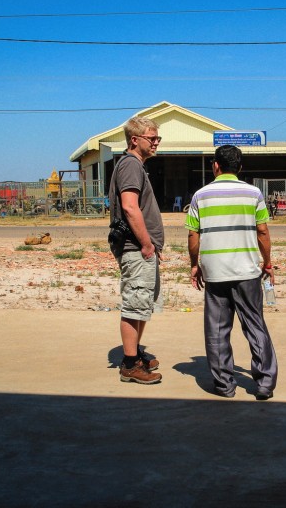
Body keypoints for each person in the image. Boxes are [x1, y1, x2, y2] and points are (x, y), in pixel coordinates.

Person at [185, 144, 278, 400]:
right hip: (247, 271)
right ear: (239, 167)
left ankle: (225, 385)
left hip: (215, 272)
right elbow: (262, 231)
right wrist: (267, 262)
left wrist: (195, 265)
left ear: (215, 166)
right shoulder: (254, 193)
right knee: (255, 325)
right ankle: (264, 384)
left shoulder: (200, 196)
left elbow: (193, 234)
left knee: (217, 330)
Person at [108, 116, 165, 384]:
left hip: (142, 249)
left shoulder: (135, 166)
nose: (156, 142)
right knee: (135, 304)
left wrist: (152, 245)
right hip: (136, 248)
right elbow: (130, 207)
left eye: (157, 138)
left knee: (142, 304)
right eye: (151, 138)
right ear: (135, 139)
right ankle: (130, 365)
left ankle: (135, 355)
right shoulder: (130, 165)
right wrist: (145, 243)